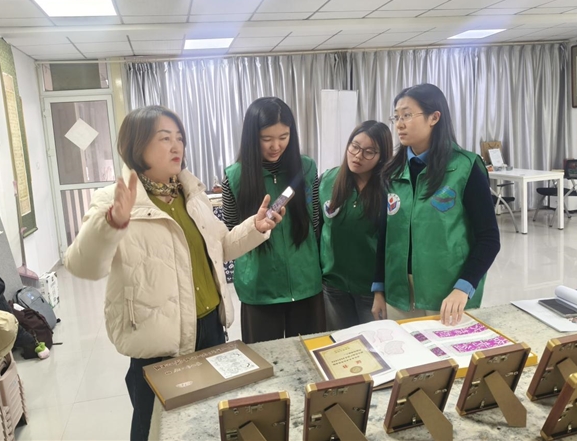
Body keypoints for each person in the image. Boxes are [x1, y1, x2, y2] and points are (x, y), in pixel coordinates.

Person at [64, 106, 283, 441]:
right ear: (137, 145)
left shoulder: (192, 194)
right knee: (155, 429)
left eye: (179, 138)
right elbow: (83, 265)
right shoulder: (113, 200)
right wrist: (111, 223)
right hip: (158, 340)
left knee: (209, 423)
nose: (176, 146)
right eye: (165, 138)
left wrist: (255, 227)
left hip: (210, 328)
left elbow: (221, 247)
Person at [372, 83, 500, 326]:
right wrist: (379, 289)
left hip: (448, 294)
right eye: (396, 117)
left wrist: (464, 287)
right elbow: (385, 236)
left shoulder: (465, 167)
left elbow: (489, 238)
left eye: (407, 115)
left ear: (434, 117)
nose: (399, 124)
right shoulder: (392, 171)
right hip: (398, 295)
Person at [222, 96, 325, 343]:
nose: (276, 146)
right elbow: (231, 238)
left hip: (306, 283)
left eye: (284, 137)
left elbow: (315, 223)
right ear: (251, 137)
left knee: (310, 357)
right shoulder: (234, 177)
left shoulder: (307, 168)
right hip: (260, 289)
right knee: (265, 360)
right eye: (266, 138)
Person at [319, 120, 393, 330]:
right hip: (333, 285)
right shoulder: (327, 180)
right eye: (355, 146)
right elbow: (317, 229)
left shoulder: (390, 189)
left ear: (381, 156)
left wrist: (381, 290)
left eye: (369, 152)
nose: (358, 156)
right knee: (342, 343)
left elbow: (392, 244)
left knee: (375, 343)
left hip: (371, 289)